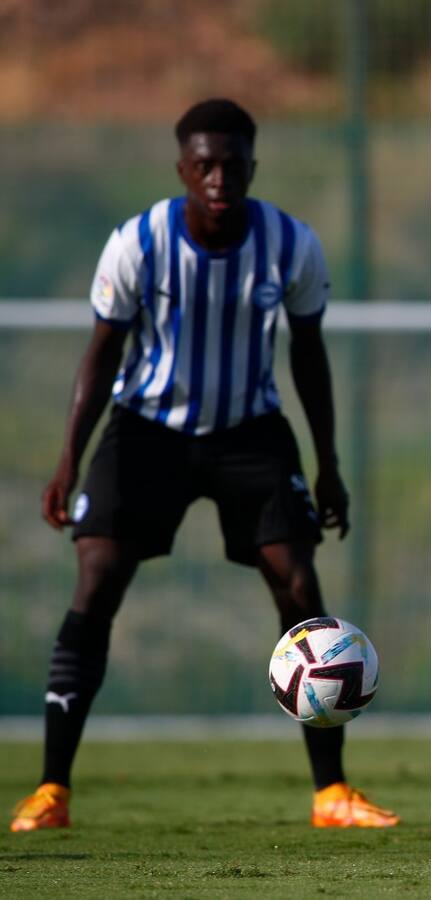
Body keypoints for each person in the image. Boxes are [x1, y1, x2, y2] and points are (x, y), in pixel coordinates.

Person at [11, 99, 398, 832]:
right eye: (204, 164)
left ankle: (332, 794)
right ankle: (51, 790)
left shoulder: (291, 244)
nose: (219, 177)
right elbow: (102, 354)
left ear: (253, 165)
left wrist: (328, 463)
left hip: (249, 432)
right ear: (182, 167)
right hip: (146, 430)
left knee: (300, 586)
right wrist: (70, 460)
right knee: (95, 584)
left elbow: (308, 356)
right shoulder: (140, 243)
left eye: (233, 163)